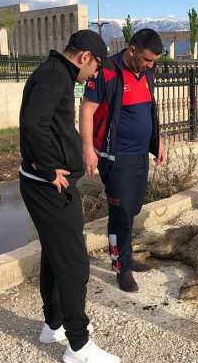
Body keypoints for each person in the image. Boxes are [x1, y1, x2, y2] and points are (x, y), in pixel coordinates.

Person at [19, 30, 120, 363]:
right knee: (74, 263)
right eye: (95, 67)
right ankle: (78, 345)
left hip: (45, 183)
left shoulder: (55, 73)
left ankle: (53, 324)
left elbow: (48, 125)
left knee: (55, 254)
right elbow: (34, 124)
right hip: (48, 186)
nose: (93, 76)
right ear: (85, 57)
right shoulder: (54, 76)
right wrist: (49, 170)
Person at [79, 28, 165, 293]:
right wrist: (88, 149)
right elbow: (86, 110)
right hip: (115, 157)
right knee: (120, 214)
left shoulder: (147, 72)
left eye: (153, 62)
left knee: (134, 208)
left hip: (140, 155)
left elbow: (148, 109)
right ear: (132, 50)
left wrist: (156, 141)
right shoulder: (106, 72)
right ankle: (122, 267)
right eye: (147, 60)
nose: (150, 66)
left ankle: (125, 256)